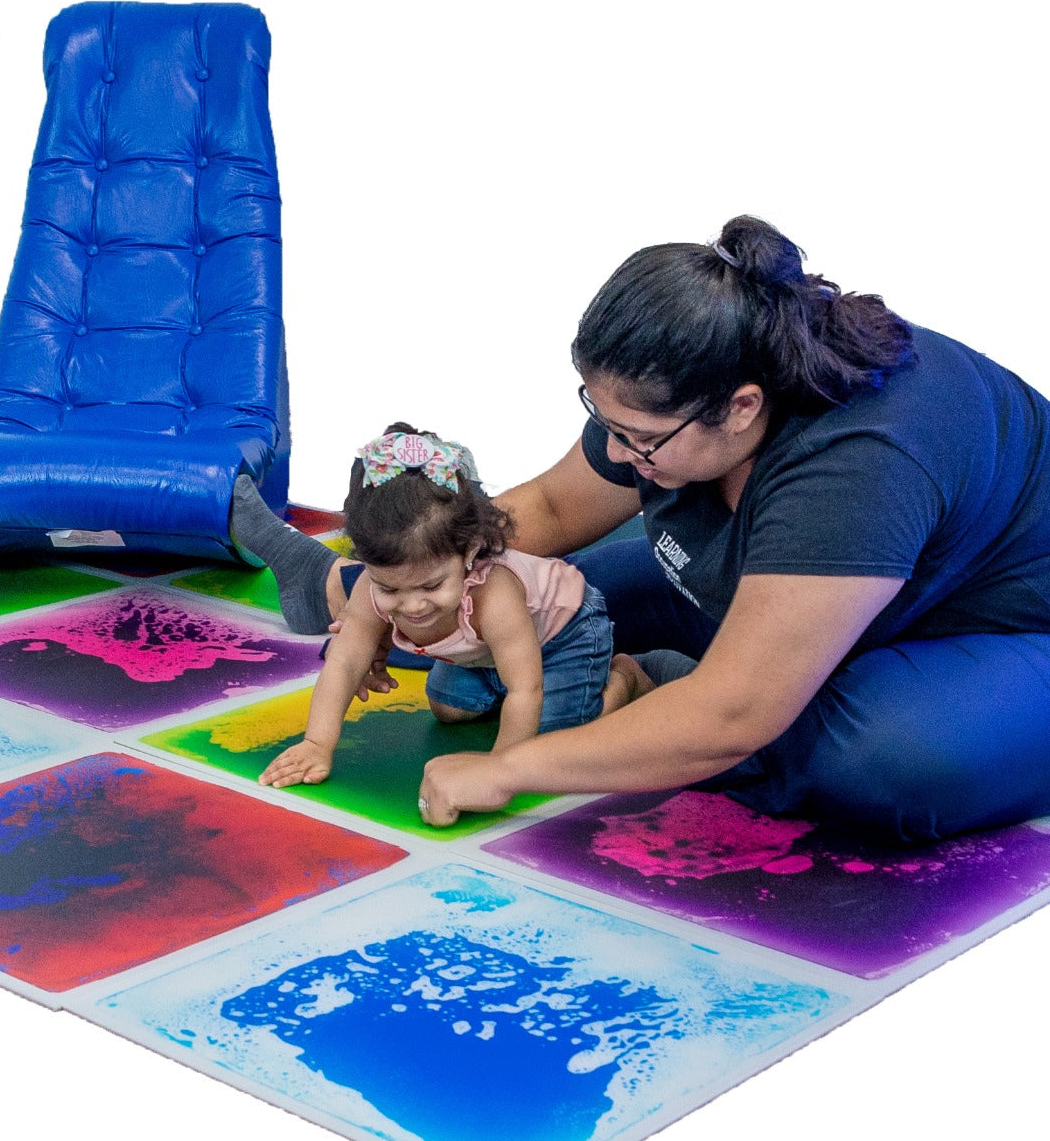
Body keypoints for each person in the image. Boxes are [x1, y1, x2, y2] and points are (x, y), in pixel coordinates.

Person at [412, 215, 1050, 840]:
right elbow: (553, 506)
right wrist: (408, 573)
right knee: (528, 598)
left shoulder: (857, 463)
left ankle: (671, 687)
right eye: (604, 420)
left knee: (884, 762)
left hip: (1003, 628)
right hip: (828, 582)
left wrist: (509, 771)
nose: (612, 453)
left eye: (638, 438)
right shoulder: (691, 376)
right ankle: (704, 685)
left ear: (742, 408)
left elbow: (735, 716)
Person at [234, 423, 616, 790]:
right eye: (390, 588)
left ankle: (622, 680)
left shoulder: (495, 596)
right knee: (450, 707)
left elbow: (526, 687)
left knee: (550, 736)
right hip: (490, 654)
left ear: (469, 551)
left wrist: (500, 769)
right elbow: (345, 663)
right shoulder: (372, 587)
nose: (413, 606)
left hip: (566, 634)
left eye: (432, 585)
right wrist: (317, 743)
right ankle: (506, 682)